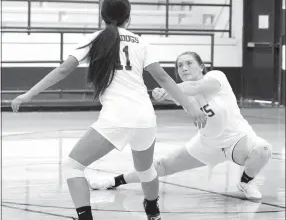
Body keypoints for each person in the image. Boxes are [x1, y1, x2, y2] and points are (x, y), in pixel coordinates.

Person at [11, 0, 207, 220]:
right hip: (146, 117)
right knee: (145, 168)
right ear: (129, 17)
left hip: (117, 117)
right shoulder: (140, 42)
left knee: (72, 165)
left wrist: (28, 95)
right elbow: (164, 78)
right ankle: (153, 208)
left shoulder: (95, 39)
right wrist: (190, 107)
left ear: (102, 16)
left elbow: (62, 70)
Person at [89, 51, 273, 201]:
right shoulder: (180, 93)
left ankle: (246, 182)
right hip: (206, 144)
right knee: (161, 166)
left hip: (237, 139)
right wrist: (158, 93)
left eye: (189, 63)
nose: (184, 68)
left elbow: (194, 87)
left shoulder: (216, 77)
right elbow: (165, 93)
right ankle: (113, 181)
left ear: (201, 66)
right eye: (180, 66)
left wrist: (167, 89)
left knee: (263, 149)